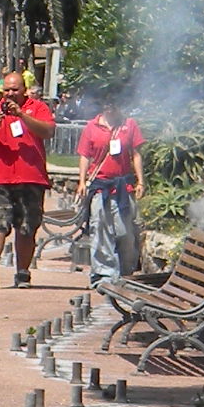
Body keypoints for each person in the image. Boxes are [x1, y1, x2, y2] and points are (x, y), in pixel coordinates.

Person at [0, 71, 56, 289]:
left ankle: (23, 273)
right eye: (6, 90)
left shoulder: (38, 108)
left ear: (23, 90)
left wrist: (22, 116)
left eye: (14, 90)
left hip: (30, 177)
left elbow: (48, 131)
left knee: (26, 228)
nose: (10, 94)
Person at [75, 96, 146, 282]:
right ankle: (102, 272)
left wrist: (141, 181)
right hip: (100, 185)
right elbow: (84, 156)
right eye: (106, 104)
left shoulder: (129, 125)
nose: (109, 108)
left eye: (113, 104)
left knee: (125, 231)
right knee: (99, 229)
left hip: (123, 185)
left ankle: (126, 270)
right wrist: (82, 182)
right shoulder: (92, 127)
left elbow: (136, 154)